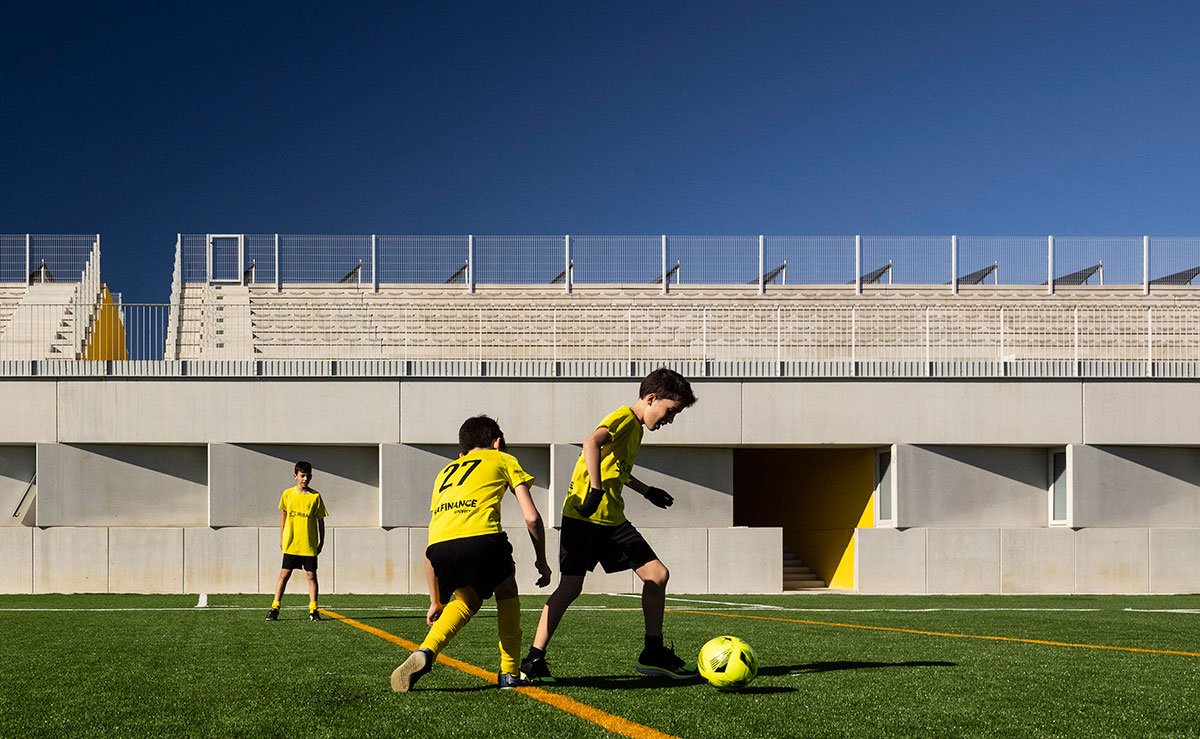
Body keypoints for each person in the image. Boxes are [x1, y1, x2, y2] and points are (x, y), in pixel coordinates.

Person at [521, 367, 698, 683]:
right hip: (584, 518)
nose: (671, 419)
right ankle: (533, 661)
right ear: (651, 398)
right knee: (571, 587)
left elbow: (614, 466)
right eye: (671, 411)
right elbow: (591, 442)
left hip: (612, 520)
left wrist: (646, 491)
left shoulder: (637, 429)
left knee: (657, 575)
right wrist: (596, 489)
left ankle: (653, 654)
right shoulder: (624, 418)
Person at [391, 415, 552, 692]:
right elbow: (532, 518)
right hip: (482, 540)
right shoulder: (503, 459)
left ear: (461, 452)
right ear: (497, 442)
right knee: (507, 591)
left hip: (440, 548)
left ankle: (427, 651)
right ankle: (509, 673)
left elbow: (432, 542)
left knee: (468, 600)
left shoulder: (444, 473)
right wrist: (542, 560)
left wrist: (436, 601)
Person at [266, 461, 328, 622]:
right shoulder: (287, 494)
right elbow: (283, 515)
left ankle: (313, 610)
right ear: (295, 476)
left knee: (311, 575)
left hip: (308, 544)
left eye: (308, 476)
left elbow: (320, 521)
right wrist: (282, 538)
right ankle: (274, 608)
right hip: (291, 544)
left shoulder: (315, 496)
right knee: (284, 575)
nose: (305, 479)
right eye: (302, 476)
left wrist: (321, 542)